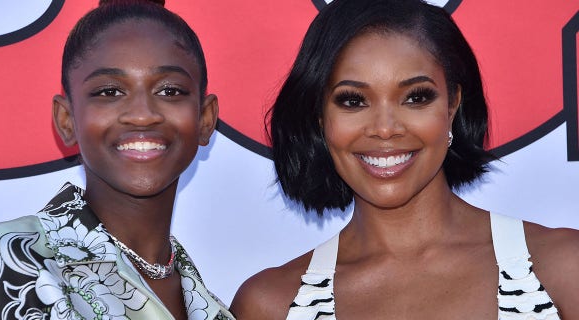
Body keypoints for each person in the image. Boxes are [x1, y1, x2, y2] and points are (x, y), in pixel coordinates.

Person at [230, 0, 579, 319]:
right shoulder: (270, 305)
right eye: (353, 101)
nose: (385, 129)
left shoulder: (564, 268)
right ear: (320, 117)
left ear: (452, 104)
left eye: (415, 97)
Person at [0, 1, 234, 319]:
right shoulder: (4, 264)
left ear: (204, 119)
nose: (142, 115)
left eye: (170, 91)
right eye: (109, 92)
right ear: (67, 120)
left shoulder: (211, 307)